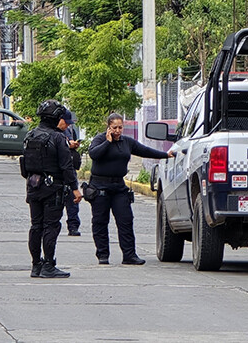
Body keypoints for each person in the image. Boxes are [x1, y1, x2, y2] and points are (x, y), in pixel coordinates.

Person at [88, 112, 175, 265]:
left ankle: (129, 255)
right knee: (100, 221)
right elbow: (94, 154)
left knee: (125, 220)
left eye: (120, 127)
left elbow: (144, 151)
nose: (117, 131)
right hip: (100, 186)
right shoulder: (100, 139)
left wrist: (165, 155)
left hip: (119, 187)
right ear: (108, 127)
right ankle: (103, 254)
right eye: (114, 127)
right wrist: (107, 142)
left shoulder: (126, 142)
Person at [22, 99, 83, 278]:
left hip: (33, 185)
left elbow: (25, 164)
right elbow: (66, 166)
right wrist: (75, 188)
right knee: (51, 226)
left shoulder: (30, 135)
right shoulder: (57, 138)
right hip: (53, 188)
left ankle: (35, 265)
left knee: (36, 226)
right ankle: (48, 265)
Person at [58, 110, 81, 236]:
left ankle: (73, 226)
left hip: (70, 166)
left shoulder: (69, 129)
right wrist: (67, 144)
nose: (67, 125)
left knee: (73, 198)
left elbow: (72, 139)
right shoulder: (52, 132)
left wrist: (74, 144)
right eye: (65, 123)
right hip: (57, 170)